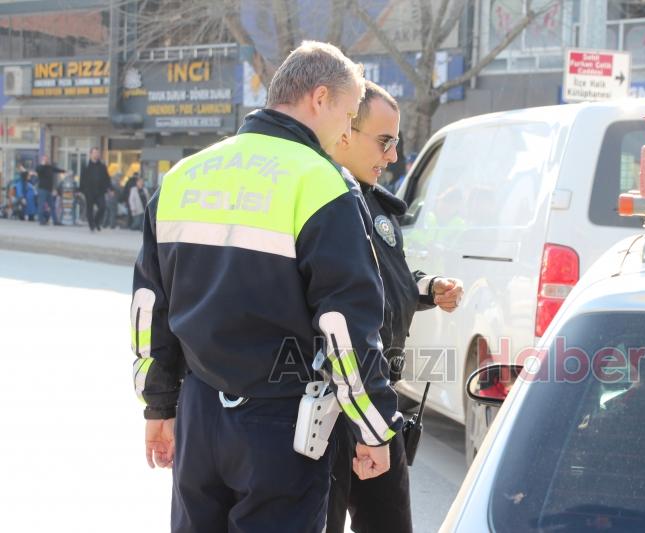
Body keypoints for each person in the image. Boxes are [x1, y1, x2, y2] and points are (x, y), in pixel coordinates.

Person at [130, 41, 402, 533]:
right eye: (347, 114)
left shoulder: (182, 177)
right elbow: (345, 325)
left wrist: (159, 406)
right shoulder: (321, 183)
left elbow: (150, 310)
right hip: (282, 424)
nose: (345, 132)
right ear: (320, 98)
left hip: (197, 415)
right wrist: (373, 426)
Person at [327, 81, 464, 533]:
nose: (392, 156)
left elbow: (387, 278)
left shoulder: (378, 206)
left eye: (396, 144)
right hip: (329, 403)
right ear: (346, 131)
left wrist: (426, 288)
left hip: (379, 395)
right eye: (384, 142)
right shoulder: (323, 203)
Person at [79, 147, 111, 232]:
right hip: (89, 192)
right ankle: (91, 225)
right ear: (91, 154)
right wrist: (81, 190)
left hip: (100, 191)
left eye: (97, 153)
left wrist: (110, 188)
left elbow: (107, 178)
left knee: (102, 207)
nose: (96, 154)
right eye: (94, 153)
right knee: (89, 209)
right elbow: (82, 179)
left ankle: (96, 222)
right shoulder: (86, 166)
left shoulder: (102, 166)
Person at [33, 155, 64, 226]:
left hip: (49, 190)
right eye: (44, 159)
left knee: (52, 206)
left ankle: (55, 221)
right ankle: (41, 220)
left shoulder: (50, 167)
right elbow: (38, 170)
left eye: (47, 159)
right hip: (42, 190)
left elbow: (56, 170)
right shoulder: (39, 167)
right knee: (41, 205)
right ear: (42, 160)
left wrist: (64, 171)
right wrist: (42, 164)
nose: (46, 160)